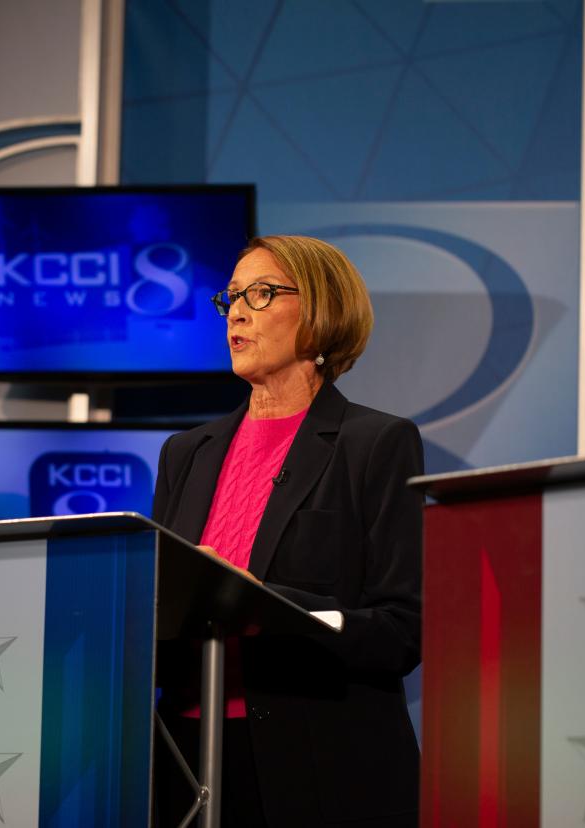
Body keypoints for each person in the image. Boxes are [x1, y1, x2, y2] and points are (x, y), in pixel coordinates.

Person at [152, 235, 423, 827]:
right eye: (232, 298)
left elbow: (400, 630)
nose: (239, 312)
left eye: (263, 292)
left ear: (322, 311)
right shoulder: (186, 453)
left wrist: (263, 602)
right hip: (186, 762)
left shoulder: (375, 445)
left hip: (316, 767)